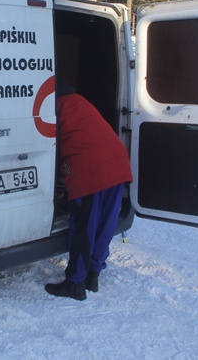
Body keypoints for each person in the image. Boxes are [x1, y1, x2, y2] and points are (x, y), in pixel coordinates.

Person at [45, 85, 133, 301]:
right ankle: (92, 276)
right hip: (118, 165)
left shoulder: (51, 108)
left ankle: (75, 284)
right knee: (104, 225)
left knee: (84, 228)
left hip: (90, 170)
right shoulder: (79, 101)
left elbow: (49, 145)